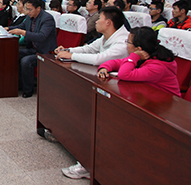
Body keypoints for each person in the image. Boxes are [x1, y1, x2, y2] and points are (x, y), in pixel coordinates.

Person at [61, 27, 182, 180]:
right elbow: (116, 62)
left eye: (128, 42)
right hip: (145, 102)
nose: (126, 44)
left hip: (162, 113)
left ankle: (92, 165)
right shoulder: (146, 57)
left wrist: (133, 57)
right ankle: (92, 163)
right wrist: (105, 67)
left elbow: (125, 74)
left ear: (138, 49)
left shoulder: (157, 66)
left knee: (108, 123)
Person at [9, 0, 58, 98]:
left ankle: (28, 90)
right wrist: (8, 28)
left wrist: (23, 33)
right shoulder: (29, 17)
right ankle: (18, 84)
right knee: (13, 53)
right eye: (26, 9)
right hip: (33, 48)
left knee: (26, 61)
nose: (27, 11)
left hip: (45, 52)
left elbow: (42, 36)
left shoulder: (47, 19)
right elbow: (22, 26)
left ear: (38, 8)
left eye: (30, 9)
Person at [55, 7, 129, 66]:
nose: (96, 22)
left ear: (108, 22)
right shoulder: (106, 36)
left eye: (99, 19)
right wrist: (68, 50)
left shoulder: (123, 41)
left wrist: (71, 56)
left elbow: (99, 59)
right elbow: (89, 49)